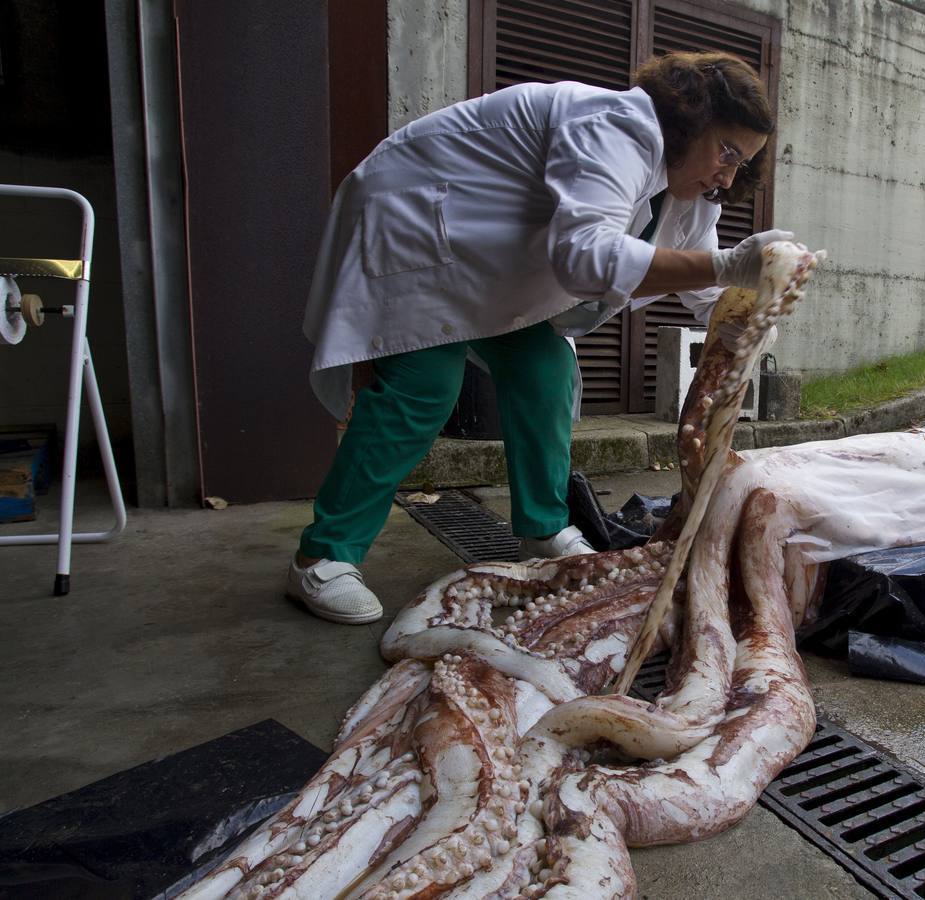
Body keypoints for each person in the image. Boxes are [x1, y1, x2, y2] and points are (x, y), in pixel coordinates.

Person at [286, 51, 792, 625]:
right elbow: (587, 256)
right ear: (689, 119)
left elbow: (706, 290)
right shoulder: (616, 126)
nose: (728, 175)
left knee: (544, 369)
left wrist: (747, 313)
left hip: (498, 263)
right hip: (422, 227)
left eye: (742, 163)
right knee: (425, 386)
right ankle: (323, 555)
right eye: (727, 151)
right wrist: (728, 267)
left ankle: (542, 530)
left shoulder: (689, 191)